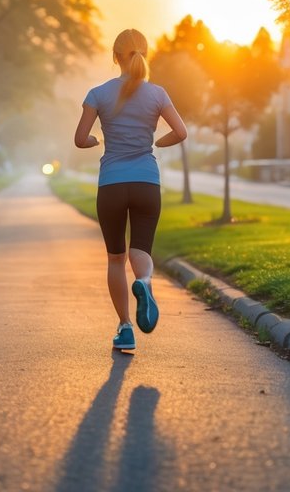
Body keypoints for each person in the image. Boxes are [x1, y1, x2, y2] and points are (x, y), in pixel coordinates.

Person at [74, 28, 187, 353]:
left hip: (111, 184)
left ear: (115, 56)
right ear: (145, 54)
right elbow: (179, 132)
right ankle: (145, 282)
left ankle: (125, 327)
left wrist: (97, 140)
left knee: (115, 259)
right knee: (141, 252)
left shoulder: (97, 94)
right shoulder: (158, 94)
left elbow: (80, 139)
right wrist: (156, 142)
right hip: (146, 183)